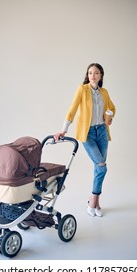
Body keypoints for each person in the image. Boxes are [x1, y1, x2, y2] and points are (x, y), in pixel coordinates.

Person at [54, 63, 116, 217]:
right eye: (90, 73)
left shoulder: (104, 92)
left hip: (101, 132)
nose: (92, 76)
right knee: (101, 167)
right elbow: (72, 110)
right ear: (87, 75)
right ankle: (93, 200)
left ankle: (95, 203)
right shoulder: (82, 90)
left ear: (101, 75)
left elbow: (112, 108)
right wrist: (64, 129)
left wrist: (110, 117)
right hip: (87, 134)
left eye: (96, 73)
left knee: (98, 168)